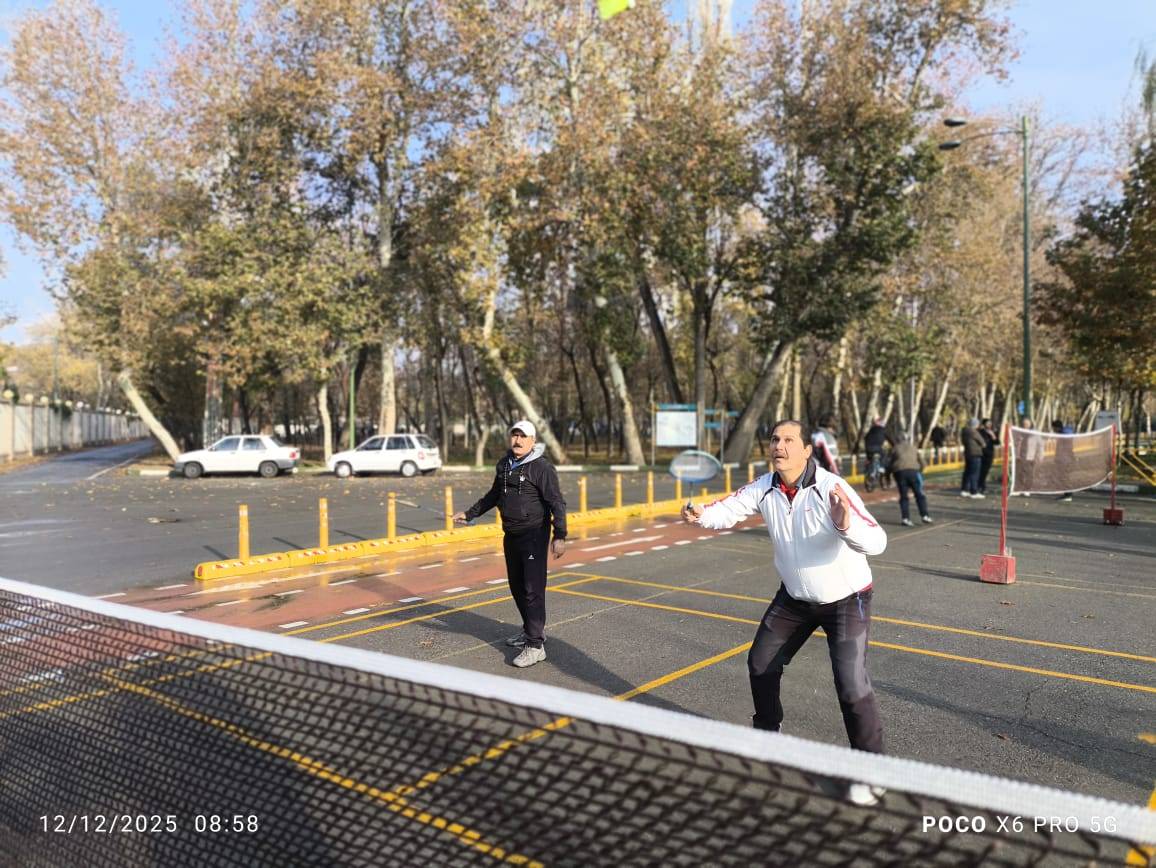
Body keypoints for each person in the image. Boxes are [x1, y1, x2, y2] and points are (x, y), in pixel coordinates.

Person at [682, 420, 888, 805]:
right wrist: (701, 515)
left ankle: (871, 772)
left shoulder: (831, 488)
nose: (779, 446)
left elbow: (877, 541)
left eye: (789, 440)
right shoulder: (765, 486)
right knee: (760, 663)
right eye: (775, 439)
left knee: (851, 685)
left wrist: (845, 525)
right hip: (795, 598)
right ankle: (767, 734)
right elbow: (729, 509)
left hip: (846, 599)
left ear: (807, 450)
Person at [453, 420, 566, 668]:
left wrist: (560, 535)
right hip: (511, 534)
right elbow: (494, 495)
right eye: (515, 435)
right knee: (517, 587)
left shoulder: (542, 468)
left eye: (523, 436)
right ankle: (530, 631)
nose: (518, 440)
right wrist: (470, 514)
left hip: (534, 535)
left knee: (532, 590)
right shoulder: (505, 464)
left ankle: (535, 646)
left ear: (533, 441)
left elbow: (556, 502)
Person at [888, 438, 932, 526]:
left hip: (900, 473)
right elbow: (923, 463)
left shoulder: (895, 448)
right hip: (913, 472)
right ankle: (925, 515)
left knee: (904, 496)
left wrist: (888, 475)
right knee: (919, 495)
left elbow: (889, 464)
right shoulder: (913, 448)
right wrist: (919, 471)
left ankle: (905, 518)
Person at [1013, 417, 1044, 496]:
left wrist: (1040, 456)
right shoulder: (1019, 432)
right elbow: (1015, 444)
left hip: (1030, 457)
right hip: (1020, 456)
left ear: (1030, 424)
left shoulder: (1035, 433)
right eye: (1024, 424)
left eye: (1027, 424)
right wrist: (1016, 454)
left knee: (1029, 474)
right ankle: (1018, 489)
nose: (1025, 425)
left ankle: (1027, 489)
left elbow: (1040, 445)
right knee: (1019, 473)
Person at [959, 418, 985, 498]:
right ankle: (974, 491)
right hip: (975, 453)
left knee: (967, 472)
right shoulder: (974, 432)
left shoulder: (964, 431)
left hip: (968, 453)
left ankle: (964, 489)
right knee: (975, 473)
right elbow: (982, 442)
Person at [863, 417, 892, 488]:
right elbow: (890, 439)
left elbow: (865, 438)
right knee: (884, 455)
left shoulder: (871, 430)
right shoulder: (883, 430)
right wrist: (894, 445)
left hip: (868, 449)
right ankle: (881, 467)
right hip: (877, 448)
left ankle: (869, 472)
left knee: (869, 459)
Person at [1052, 419, 1074, 502]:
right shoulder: (1062, 434)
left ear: (1057, 427)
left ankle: (1068, 495)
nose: (1053, 430)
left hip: (1065, 459)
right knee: (1063, 476)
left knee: (1065, 476)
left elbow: (1065, 448)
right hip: (1063, 458)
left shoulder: (1064, 435)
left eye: (1054, 428)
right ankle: (1066, 494)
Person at [977, 419, 1000, 495]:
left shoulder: (993, 432)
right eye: (988, 423)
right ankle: (981, 486)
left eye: (990, 423)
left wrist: (993, 436)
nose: (989, 425)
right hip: (981, 453)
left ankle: (981, 485)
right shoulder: (980, 432)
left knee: (985, 471)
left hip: (989, 454)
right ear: (984, 424)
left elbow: (997, 442)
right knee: (981, 470)